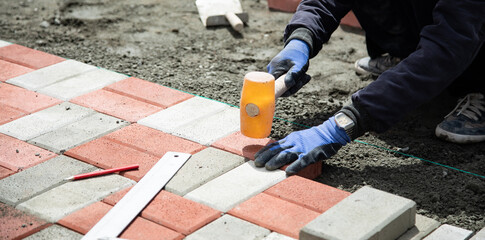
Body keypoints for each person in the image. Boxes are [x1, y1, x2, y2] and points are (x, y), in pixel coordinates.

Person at [254, 0, 485, 175]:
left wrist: (345, 123)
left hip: (469, 42)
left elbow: (449, 46)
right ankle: (408, 59)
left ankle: (476, 87)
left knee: (455, 51)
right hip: (437, 35)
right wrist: (301, 39)